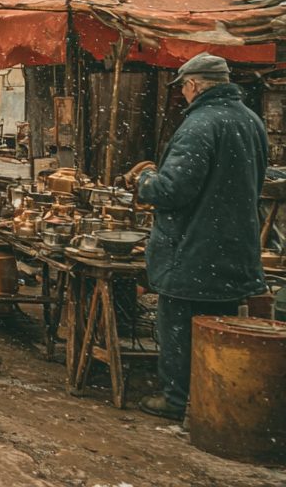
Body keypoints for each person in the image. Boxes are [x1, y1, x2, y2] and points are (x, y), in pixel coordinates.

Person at [124, 53, 268, 421]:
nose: (183, 95)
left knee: (179, 326)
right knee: (216, 330)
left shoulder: (200, 124)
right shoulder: (250, 121)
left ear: (193, 85)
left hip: (193, 248)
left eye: (184, 88)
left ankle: (177, 398)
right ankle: (211, 398)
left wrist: (145, 181)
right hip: (234, 246)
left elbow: (172, 190)